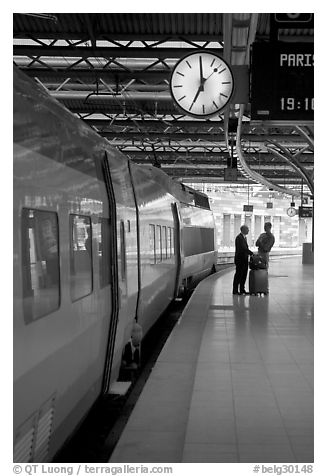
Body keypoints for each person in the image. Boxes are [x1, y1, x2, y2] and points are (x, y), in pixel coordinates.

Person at [232, 225, 253, 295]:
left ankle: (242, 289)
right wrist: (251, 253)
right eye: (247, 229)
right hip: (240, 260)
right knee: (238, 275)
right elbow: (243, 248)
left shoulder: (244, 238)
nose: (248, 231)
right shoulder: (239, 238)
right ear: (243, 230)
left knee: (244, 275)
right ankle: (235, 290)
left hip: (244, 259)